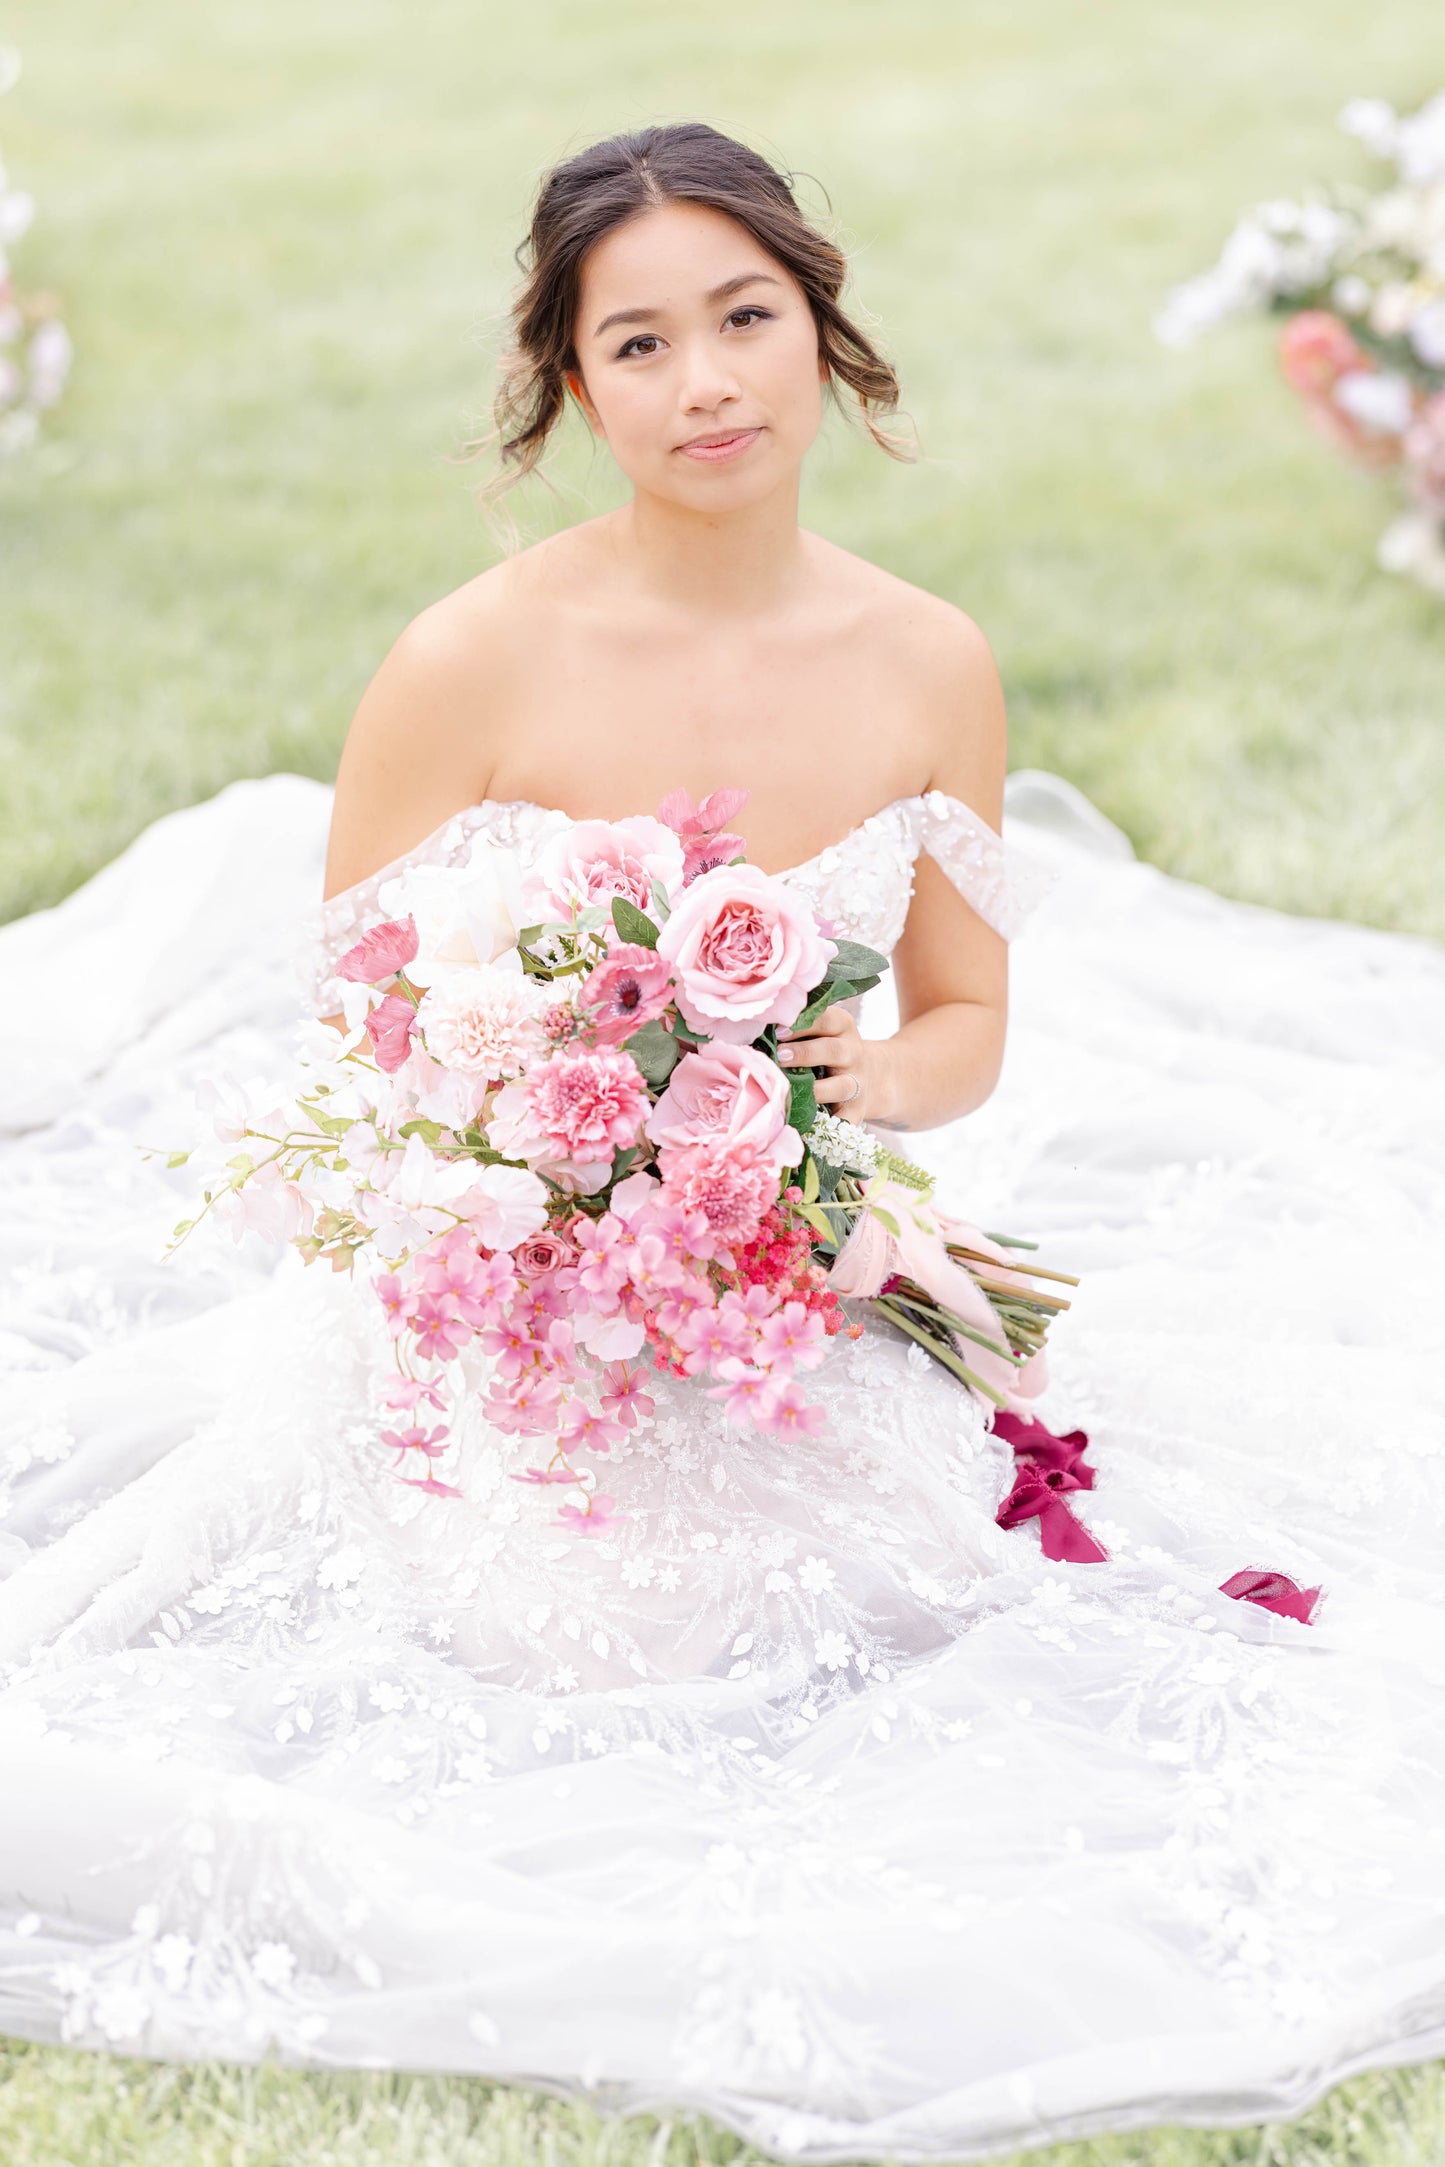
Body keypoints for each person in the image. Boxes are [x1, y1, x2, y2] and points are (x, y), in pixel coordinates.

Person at [2, 121, 1443, 2166]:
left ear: (822, 329)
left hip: (801, 1264)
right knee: (563, 1665)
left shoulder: (928, 660)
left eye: (747, 319)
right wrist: (549, 1162)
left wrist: (833, 1115)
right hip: (515, 1288)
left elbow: (960, 1025)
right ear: (571, 385)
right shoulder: (467, 661)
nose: (708, 385)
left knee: (930, 1611)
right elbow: (361, 1030)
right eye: (643, 343)